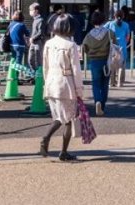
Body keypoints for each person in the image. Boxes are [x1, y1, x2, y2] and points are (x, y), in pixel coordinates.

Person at [40, 13, 84, 162]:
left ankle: (47, 139)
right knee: (68, 119)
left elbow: (45, 67)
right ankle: (62, 150)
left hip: (51, 83)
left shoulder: (48, 43)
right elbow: (76, 70)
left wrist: (46, 83)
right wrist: (79, 90)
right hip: (67, 84)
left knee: (58, 116)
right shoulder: (71, 45)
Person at [82, 11, 116, 116]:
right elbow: (115, 45)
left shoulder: (89, 35)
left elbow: (84, 47)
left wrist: (90, 54)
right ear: (103, 20)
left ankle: (97, 100)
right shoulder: (109, 32)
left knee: (96, 84)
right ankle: (102, 104)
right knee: (105, 84)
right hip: (107, 61)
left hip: (94, 61)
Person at [105, 9, 131, 87]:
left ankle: (112, 82)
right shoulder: (126, 25)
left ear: (114, 16)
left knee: (112, 65)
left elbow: (103, 30)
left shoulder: (110, 24)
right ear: (123, 16)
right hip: (122, 47)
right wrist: (124, 43)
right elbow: (128, 36)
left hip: (112, 47)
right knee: (121, 66)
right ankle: (120, 82)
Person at [28, 3, 46, 71]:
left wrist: (33, 38)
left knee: (38, 60)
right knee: (30, 59)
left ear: (36, 10)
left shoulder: (41, 20)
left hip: (38, 42)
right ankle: (34, 74)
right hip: (33, 42)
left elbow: (41, 32)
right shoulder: (35, 19)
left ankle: (39, 76)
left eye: (31, 10)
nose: (30, 12)